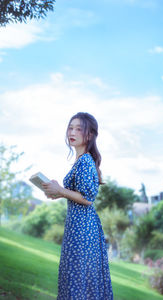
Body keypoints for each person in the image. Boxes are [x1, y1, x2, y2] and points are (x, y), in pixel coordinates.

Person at [42, 112, 114, 300]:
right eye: (70, 127)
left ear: (89, 135)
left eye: (78, 128)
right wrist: (56, 191)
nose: (72, 132)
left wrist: (61, 190)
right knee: (75, 276)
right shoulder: (81, 160)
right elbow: (77, 195)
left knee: (78, 277)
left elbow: (88, 198)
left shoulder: (85, 161)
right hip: (78, 226)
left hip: (83, 229)